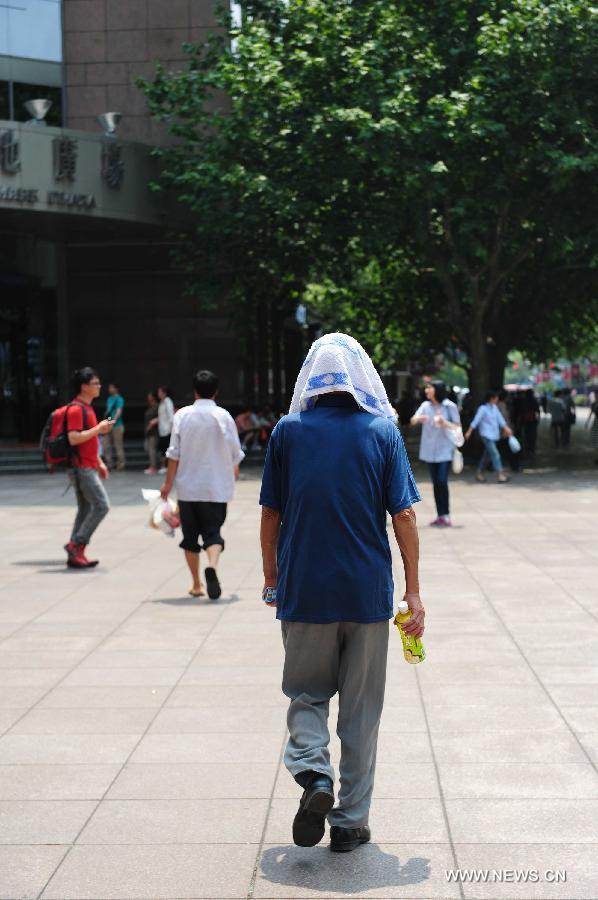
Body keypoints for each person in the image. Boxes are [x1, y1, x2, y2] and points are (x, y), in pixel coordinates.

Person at [259, 332, 424, 853]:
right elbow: (404, 514)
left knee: (306, 693)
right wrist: (413, 592)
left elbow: (270, 513)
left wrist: (271, 577)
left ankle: (315, 777)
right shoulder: (382, 431)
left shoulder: (288, 431)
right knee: (361, 711)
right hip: (368, 594)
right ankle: (350, 823)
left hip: (304, 589)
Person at [160, 370, 244, 599]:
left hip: (188, 489)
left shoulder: (182, 416)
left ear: (195, 390)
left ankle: (197, 584)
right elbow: (235, 452)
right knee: (213, 533)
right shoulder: (223, 416)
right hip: (216, 488)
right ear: (216, 391)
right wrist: (233, 470)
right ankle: (213, 566)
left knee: (189, 538)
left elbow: (173, 453)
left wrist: (167, 485)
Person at [64, 367, 113, 568]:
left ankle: (75, 554)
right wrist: (98, 429)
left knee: (85, 509)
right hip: (81, 468)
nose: (99, 387)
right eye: (95, 383)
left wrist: (99, 462)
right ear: (84, 387)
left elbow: (89, 442)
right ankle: (76, 544)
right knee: (102, 505)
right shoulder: (76, 409)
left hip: (87, 465)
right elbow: (73, 438)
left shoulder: (88, 408)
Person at [411, 381, 461, 526]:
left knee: (441, 481)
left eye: (429, 387)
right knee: (435, 483)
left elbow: (458, 426)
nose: (427, 390)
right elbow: (412, 420)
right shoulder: (425, 406)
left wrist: (444, 423)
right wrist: (419, 419)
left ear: (437, 390)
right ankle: (440, 515)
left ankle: (446, 515)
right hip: (429, 449)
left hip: (445, 449)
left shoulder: (449, 406)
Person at [465, 390, 513, 483]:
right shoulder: (483, 409)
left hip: (494, 435)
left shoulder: (495, 408)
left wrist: (506, 428)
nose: (497, 399)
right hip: (486, 435)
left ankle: (479, 472)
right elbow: (476, 421)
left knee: (487, 455)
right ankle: (500, 474)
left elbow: (500, 420)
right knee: (495, 454)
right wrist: (469, 431)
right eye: (495, 398)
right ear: (491, 399)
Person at [103, 382, 126, 471]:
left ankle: (120, 465)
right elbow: (108, 412)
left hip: (117, 426)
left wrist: (113, 422)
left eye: (111, 387)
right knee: (105, 445)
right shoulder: (109, 399)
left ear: (116, 389)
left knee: (118, 445)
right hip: (108, 425)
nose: (109, 389)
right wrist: (107, 421)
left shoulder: (119, 399)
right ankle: (109, 464)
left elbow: (118, 412)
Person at [156, 385, 175, 473]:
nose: (158, 394)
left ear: (164, 393)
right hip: (162, 429)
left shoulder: (168, 402)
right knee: (163, 448)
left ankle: (166, 466)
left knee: (166, 449)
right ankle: (163, 466)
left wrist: (171, 430)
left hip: (167, 430)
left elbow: (171, 417)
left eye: (160, 392)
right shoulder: (161, 403)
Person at [143, 390, 159, 474]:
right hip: (148, 432)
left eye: (150, 396)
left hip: (154, 432)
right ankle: (151, 465)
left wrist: (151, 424)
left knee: (152, 450)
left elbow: (158, 418)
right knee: (148, 449)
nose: (148, 397)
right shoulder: (150, 406)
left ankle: (153, 466)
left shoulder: (157, 406)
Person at [586, 396, 598, 464]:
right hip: (596, 423)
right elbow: (591, 413)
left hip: (596, 423)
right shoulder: (594, 404)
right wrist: (587, 422)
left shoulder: (594, 404)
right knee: (595, 441)